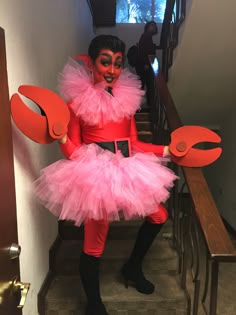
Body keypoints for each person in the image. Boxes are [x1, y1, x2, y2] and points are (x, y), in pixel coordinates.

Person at [34, 35, 177, 315]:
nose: (112, 70)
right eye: (105, 62)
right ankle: (94, 303)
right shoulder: (76, 104)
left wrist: (166, 148)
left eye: (118, 64)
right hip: (95, 174)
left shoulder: (127, 98)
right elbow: (72, 150)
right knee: (95, 241)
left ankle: (133, 267)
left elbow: (133, 143)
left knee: (159, 215)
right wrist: (62, 137)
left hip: (127, 167)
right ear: (92, 65)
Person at [135, 21, 159, 106]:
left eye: (154, 26)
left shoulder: (147, 36)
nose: (153, 27)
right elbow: (143, 51)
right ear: (147, 27)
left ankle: (144, 105)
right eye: (151, 25)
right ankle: (146, 105)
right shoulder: (146, 36)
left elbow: (145, 49)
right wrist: (145, 63)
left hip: (145, 64)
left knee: (145, 85)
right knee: (146, 85)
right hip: (145, 65)